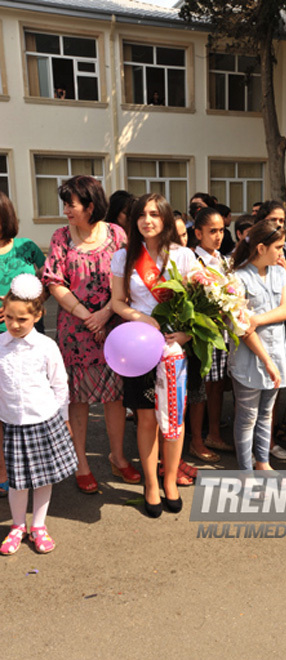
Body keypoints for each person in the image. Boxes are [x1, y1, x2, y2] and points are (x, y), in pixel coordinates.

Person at [42, 175, 140, 493]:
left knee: (115, 396)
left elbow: (128, 277)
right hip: (77, 330)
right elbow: (54, 281)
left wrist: (106, 313)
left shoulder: (116, 234)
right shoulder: (61, 237)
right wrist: (88, 317)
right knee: (79, 398)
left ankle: (118, 456)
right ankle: (81, 463)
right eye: (66, 204)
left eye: (71, 204)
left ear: (90, 204)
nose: (66, 210)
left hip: (114, 326)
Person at [111, 192, 196, 518]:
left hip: (173, 350)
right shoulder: (124, 258)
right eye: (141, 214)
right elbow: (118, 302)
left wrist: (188, 333)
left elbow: (196, 304)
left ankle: (170, 480)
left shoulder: (183, 256)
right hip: (139, 348)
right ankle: (150, 484)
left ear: (164, 219)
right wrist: (142, 319)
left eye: (154, 214)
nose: (147, 220)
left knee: (173, 421)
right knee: (146, 418)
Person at [0, 274, 77, 555]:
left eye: (22, 319)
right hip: (13, 423)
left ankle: (39, 525)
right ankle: (17, 525)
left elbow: (60, 385)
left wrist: (64, 418)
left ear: (37, 315)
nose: (15, 324)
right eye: (9, 317)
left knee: (43, 478)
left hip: (44, 420)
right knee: (17, 480)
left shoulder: (46, 346)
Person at [228, 219, 286, 471]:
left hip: (277, 352)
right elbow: (241, 328)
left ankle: (263, 462)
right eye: (278, 247)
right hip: (250, 357)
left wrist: (256, 319)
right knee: (247, 417)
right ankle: (246, 470)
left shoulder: (279, 272)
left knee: (266, 414)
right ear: (261, 248)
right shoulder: (237, 277)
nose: (282, 253)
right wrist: (266, 360)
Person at [0, 191, 46, 497]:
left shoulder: (28, 248)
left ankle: (32, 467)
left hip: (31, 341)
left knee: (29, 405)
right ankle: (2, 470)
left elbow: (49, 283)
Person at [255, 200, 286, 460]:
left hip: (280, 325)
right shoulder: (251, 248)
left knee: (275, 386)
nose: (279, 225)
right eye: (274, 220)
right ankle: (249, 444)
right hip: (252, 328)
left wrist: (284, 274)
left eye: (283, 221)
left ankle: (269, 440)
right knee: (250, 392)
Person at [188, 207, 234, 462]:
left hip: (222, 333)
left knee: (216, 386)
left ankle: (214, 433)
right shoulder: (194, 262)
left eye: (221, 230)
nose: (218, 236)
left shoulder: (224, 260)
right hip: (201, 334)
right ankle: (196, 439)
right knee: (200, 389)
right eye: (212, 231)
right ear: (198, 233)